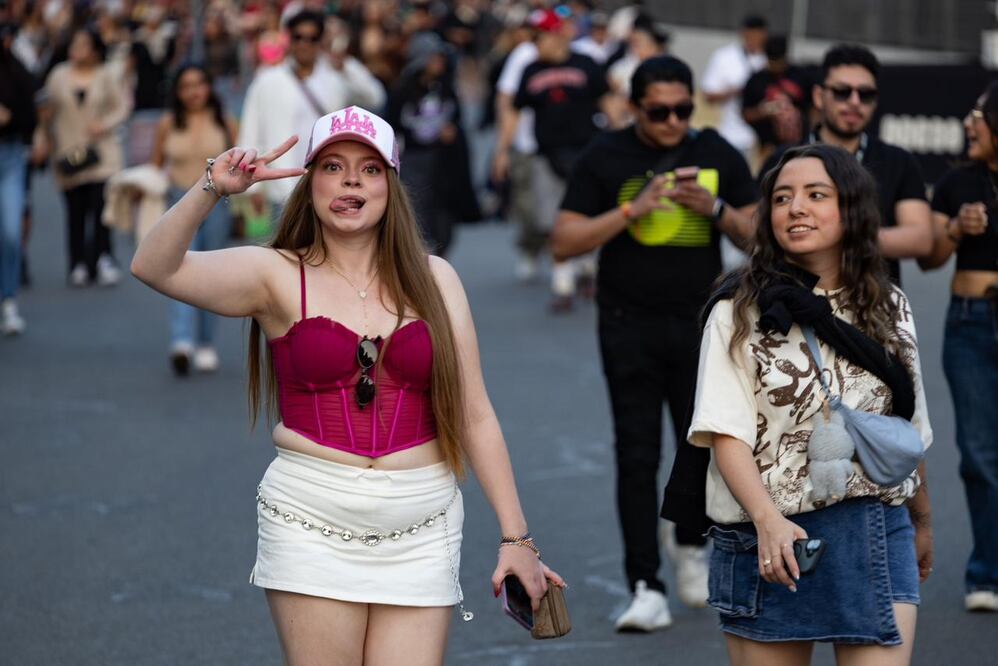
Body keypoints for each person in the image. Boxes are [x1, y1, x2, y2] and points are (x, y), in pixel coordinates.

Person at [131, 106, 564, 663]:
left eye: (370, 169)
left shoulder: (436, 279)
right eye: (333, 167)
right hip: (309, 519)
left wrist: (516, 538)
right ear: (310, 183)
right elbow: (154, 266)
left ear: (391, 185)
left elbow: (474, 413)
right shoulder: (274, 273)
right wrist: (213, 187)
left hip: (422, 521)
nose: (351, 181)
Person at [687, 144, 932, 665]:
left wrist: (922, 519)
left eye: (816, 195)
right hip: (769, 539)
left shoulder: (889, 305)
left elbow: (907, 426)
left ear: (851, 208)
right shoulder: (738, 311)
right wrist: (767, 521)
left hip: (877, 528)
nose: (795, 208)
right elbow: (725, 433)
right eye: (782, 198)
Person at [551, 55, 759, 630]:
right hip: (628, 323)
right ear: (634, 108)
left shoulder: (716, 152)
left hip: (702, 325)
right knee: (636, 454)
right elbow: (563, 241)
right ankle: (644, 584)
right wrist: (631, 210)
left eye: (682, 110)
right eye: (658, 112)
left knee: (702, 446)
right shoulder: (606, 156)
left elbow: (761, 237)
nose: (672, 122)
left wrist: (715, 210)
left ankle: (690, 546)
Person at [919, 83, 998, 612]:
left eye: (979, 116)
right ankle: (987, 572)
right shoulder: (956, 183)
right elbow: (929, 258)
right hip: (971, 323)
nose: (969, 124)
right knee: (979, 455)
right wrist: (954, 227)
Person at [761, 44, 932, 285]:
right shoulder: (782, 160)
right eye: (842, 92)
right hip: (790, 294)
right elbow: (758, 229)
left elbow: (921, 238)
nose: (854, 101)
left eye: (865, 94)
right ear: (818, 96)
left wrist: (836, 233)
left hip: (873, 298)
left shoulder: (899, 161)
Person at [495, 9, 610, 313]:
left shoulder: (585, 64)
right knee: (552, 222)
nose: (535, 44)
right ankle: (563, 284)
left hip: (587, 154)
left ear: (557, 34)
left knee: (588, 214)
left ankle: (587, 268)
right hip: (547, 155)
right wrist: (502, 151)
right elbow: (515, 110)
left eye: (540, 37)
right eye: (534, 38)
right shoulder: (531, 69)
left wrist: (621, 139)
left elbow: (607, 100)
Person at [239, 10, 385, 224]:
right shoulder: (268, 79)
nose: (304, 44)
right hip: (283, 189)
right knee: (284, 246)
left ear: (320, 41)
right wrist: (253, 188)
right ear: (289, 39)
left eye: (312, 38)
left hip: (329, 188)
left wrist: (346, 64)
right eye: (298, 37)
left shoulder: (335, 78)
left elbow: (375, 96)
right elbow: (251, 130)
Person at [150, 64, 238, 375]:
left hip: (216, 205)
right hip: (178, 202)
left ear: (209, 87)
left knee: (210, 274)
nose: (193, 91)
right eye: (186, 86)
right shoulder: (167, 123)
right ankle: (182, 340)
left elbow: (239, 168)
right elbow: (156, 165)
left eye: (199, 84)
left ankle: (205, 342)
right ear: (177, 92)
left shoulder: (226, 122)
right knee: (177, 269)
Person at [36, 26, 127, 287]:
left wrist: (105, 124)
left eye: (84, 45)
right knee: (75, 211)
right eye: (74, 44)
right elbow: (45, 111)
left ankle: (103, 258)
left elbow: (121, 107)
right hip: (68, 151)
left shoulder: (106, 74)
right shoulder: (58, 75)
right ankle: (77, 263)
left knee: (101, 207)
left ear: (95, 50)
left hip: (102, 152)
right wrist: (41, 139)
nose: (77, 50)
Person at [387, 32, 480, 257]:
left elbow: (457, 118)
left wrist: (452, 132)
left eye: (440, 58)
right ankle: (422, 258)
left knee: (444, 216)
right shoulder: (402, 90)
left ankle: (439, 256)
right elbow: (392, 125)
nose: (439, 62)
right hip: (414, 160)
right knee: (418, 210)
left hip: (444, 161)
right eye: (433, 58)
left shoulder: (446, 87)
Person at [0, 20, 37, 335]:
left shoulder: (16, 70)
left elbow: (32, 116)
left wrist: (11, 117)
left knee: (11, 232)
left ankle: (8, 299)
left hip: (11, 155)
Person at [701, 15, 768, 160]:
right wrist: (738, 91)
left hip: (765, 139)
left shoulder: (771, 59)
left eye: (758, 36)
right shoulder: (725, 57)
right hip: (734, 135)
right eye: (750, 36)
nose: (753, 40)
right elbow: (708, 95)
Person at [741, 35, 810, 166]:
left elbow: (814, 108)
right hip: (768, 148)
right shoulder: (757, 80)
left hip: (801, 147)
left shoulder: (800, 76)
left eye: (779, 61)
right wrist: (764, 111)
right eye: (772, 61)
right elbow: (745, 114)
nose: (776, 66)